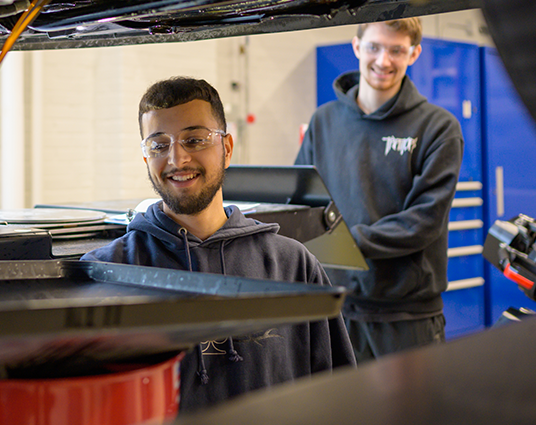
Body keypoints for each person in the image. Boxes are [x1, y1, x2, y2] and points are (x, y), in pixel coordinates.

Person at [81, 77, 355, 413]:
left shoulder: (293, 266)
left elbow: (339, 398)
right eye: (159, 145)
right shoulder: (109, 274)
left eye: (194, 140)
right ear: (145, 158)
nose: (177, 159)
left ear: (226, 148)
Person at [295, 18, 464, 362]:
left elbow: (424, 221)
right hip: (334, 306)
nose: (383, 61)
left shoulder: (437, 127)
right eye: (374, 47)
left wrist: (344, 244)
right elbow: (300, 200)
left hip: (405, 316)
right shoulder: (323, 121)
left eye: (396, 50)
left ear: (414, 54)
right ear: (356, 46)